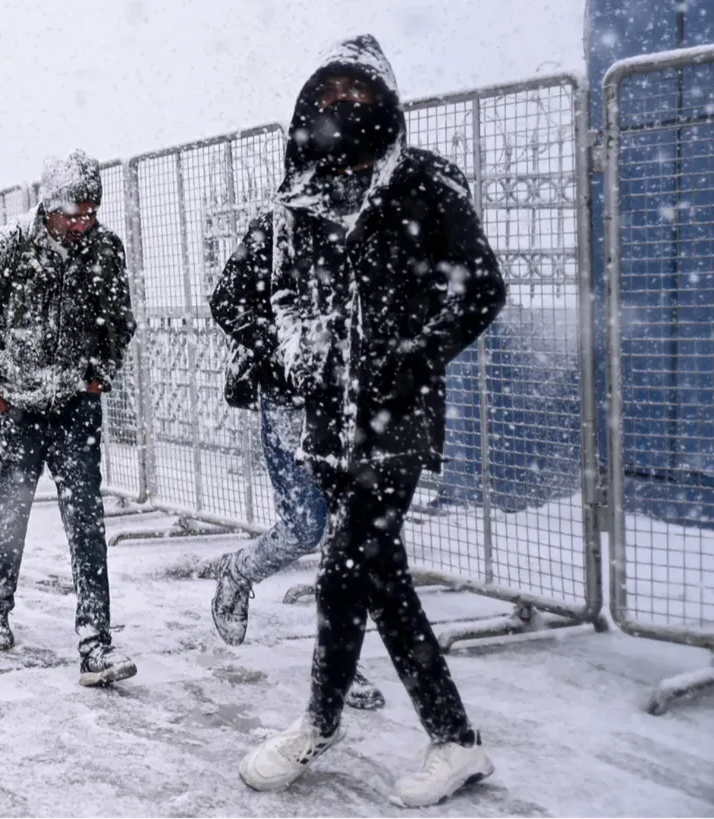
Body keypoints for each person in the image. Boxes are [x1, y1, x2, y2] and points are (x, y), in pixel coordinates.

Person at [215, 35, 506, 807]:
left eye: (358, 95)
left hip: (397, 417)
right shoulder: (298, 198)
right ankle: (446, 738)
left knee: (352, 562)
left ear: (385, 102)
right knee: (373, 576)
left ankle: (330, 721)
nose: (341, 110)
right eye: (329, 97)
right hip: (325, 419)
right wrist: (292, 343)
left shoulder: (424, 184)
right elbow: (252, 295)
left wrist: (416, 355)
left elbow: (482, 289)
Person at [0, 150, 138, 687]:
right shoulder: (9, 246)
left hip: (77, 403)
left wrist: (99, 370)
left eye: (91, 212)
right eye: (73, 213)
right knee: (12, 509)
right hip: (17, 406)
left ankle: (96, 641)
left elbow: (119, 322)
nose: (83, 223)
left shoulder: (106, 249)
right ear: (49, 205)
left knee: (86, 518)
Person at [203, 385, 385, 710]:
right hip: (287, 397)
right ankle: (237, 572)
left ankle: (339, 660)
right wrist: (275, 353)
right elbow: (239, 330)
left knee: (345, 530)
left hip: (341, 394)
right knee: (303, 527)